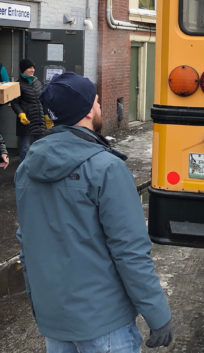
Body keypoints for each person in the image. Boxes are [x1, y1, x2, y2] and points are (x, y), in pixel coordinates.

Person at [15, 72, 173, 353]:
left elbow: (27, 241)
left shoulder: (28, 167)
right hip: (105, 324)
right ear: (88, 111)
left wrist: (39, 304)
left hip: (55, 320)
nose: (99, 107)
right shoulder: (106, 168)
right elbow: (130, 252)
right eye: (97, 102)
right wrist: (157, 315)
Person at [11, 59, 46, 161]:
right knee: (25, 149)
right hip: (26, 122)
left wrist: (47, 115)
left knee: (40, 149)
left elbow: (43, 100)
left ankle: (36, 172)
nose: (32, 70)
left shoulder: (38, 83)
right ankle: (24, 173)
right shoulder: (18, 85)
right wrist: (21, 114)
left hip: (39, 121)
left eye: (33, 68)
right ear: (23, 70)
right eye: (30, 68)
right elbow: (14, 102)